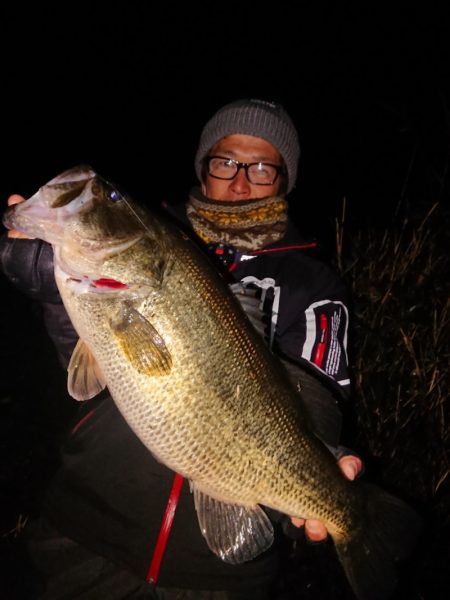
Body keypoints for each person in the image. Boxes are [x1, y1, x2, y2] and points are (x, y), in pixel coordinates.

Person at [1, 98, 361, 599]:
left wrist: (324, 461)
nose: (239, 180)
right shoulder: (158, 233)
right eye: (225, 161)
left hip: (217, 582)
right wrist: (46, 278)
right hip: (87, 532)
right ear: (203, 166)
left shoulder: (312, 282)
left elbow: (316, 396)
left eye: (261, 167)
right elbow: (84, 368)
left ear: (284, 180)